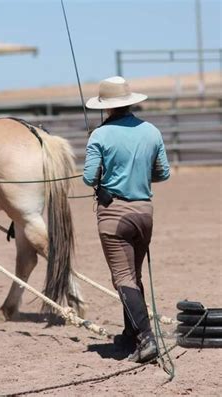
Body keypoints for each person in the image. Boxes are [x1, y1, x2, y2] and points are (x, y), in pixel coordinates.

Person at [83, 76, 170, 363]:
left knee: (122, 278)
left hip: (114, 215)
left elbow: (88, 178)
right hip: (145, 212)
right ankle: (130, 334)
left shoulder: (100, 135)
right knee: (134, 277)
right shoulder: (152, 131)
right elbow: (163, 174)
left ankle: (146, 338)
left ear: (105, 107)